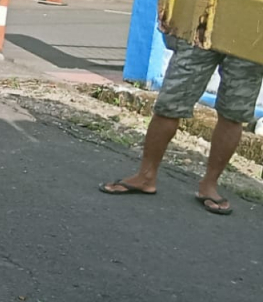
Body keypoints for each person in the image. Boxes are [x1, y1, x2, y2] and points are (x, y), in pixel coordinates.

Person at [100, 37, 263, 216]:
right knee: (169, 104)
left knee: (234, 113)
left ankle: (209, 185)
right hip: (202, 24)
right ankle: (146, 176)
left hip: (252, 33)